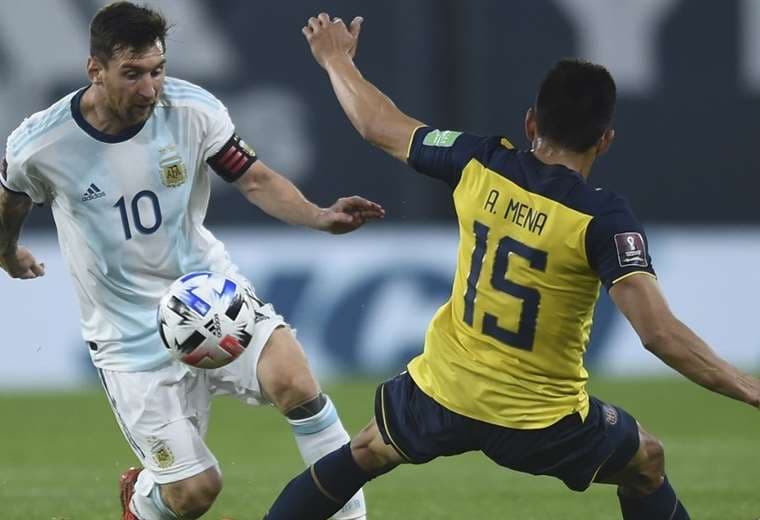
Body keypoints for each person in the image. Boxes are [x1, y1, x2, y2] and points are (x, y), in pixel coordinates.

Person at [262, 13, 760, 520]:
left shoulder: (478, 163)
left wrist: (336, 59)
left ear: (530, 123)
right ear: (605, 139)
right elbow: (658, 334)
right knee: (646, 461)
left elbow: (377, 125)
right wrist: (749, 388)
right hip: (540, 421)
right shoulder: (603, 219)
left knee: (366, 450)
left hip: (445, 392)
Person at [0, 3, 380, 520]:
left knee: (296, 382)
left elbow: (254, 179)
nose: (149, 89)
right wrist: (7, 252)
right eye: (132, 74)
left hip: (211, 296)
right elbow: (11, 202)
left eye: (157, 70)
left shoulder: (193, 111)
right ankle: (143, 498)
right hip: (129, 335)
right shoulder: (40, 144)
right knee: (195, 494)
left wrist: (319, 216)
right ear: (95, 69)